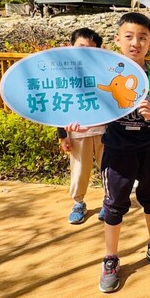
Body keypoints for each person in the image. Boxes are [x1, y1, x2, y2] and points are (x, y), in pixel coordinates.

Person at [66, 13, 150, 293]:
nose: (135, 43)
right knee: (114, 204)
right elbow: (89, 107)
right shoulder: (103, 73)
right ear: (117, 40)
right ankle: (111, 258)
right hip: (117, 151)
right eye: (129, 37)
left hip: (149, 149)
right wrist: (76, 122)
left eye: (142, 38)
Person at [58, 28, 106, 224]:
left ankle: (109, 201)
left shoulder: (104, 70)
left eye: (92, 48)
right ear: (71, 46)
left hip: (104, 130)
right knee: (79, 170)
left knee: (108, 169)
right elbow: (58, 104)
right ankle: (78, 202)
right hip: (77, 132)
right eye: (82, 46)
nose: (87, 51)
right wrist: (63, 135)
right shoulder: (62, 73)